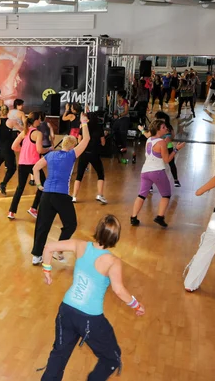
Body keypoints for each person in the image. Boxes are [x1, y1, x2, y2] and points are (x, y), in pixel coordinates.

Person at [39, 215, 145, 381]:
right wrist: (136, 305)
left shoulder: (80, 245)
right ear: (116, 238)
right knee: (111, 357)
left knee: (59, 355)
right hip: (90, 319)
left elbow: (48, 247)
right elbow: (119, 290)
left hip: (66, 310)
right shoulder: (112, 261)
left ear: (97, 230)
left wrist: (47, 271)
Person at [31, 113, 90, 265]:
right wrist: (83, 122)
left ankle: (36, 256)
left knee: (42, 226)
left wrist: (39, 185)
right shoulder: (71, 155)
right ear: (72, 146)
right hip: (61, 196)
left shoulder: (51, 155)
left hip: (47, 195)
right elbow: (87, 139)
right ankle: (58, 250)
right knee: (70, 224)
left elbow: (36, 168)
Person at [130, 119, 185, 228]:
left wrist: (166, 141)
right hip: (157, 172)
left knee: (141, 195)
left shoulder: (149, 139)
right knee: (166, 195)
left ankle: (133, 217)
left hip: (145, 172)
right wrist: (176, 149)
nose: (166, 128)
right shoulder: (161, 143)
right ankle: (160, 217)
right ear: (158, 130)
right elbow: (167, 160)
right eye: (164, 127)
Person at [7, 112, 49, 219]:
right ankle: (34, 208)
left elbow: (13, 147)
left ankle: (11, 212)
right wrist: (48, 149)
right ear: (35, 121)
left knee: (20, 188)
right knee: (43, 185)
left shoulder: (24, 132)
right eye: (39, 119)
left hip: (22, 164)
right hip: (34, 165)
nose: (40, 121)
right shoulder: (38, 133)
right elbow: (40, 150)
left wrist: (24, 151)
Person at [72, 111, 107, 204]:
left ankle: (74, 196)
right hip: (95, 154)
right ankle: (100, 195)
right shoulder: (99, 127)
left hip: (84, 153)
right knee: (100, 174)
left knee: (79, 175)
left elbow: (79, 140)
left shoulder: (84, 127)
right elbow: (103, 143)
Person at [140, 111, 180, 187]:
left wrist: (142, 130)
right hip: (169, 147)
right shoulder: (169, 126)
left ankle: (150, 185)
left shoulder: (157, 127)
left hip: (157, 148)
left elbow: (147, 135)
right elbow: (173, 136)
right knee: (171, 164)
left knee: (153, 164)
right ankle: (176, 180)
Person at [111, 90, 129, 155]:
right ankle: (117, 144)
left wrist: (119, 115)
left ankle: (124, 146)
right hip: (119, 118)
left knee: (123, 132)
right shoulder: (117, 101)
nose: (117, 95)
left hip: (125, 118)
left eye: (118, 94)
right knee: (114, 128)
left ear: (121, 95)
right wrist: (115, 113)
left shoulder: (125, 102)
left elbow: (126, 111)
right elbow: (117, 109)